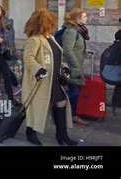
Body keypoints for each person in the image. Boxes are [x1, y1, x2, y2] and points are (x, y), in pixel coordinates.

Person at [22, 9, 77, 146]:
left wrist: (63, 66)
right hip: (41, 81)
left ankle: (62, 135)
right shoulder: (34, 40)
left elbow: (56, 57)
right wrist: (38, 69)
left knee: (61, 103)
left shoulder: (50, 38)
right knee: (36, 107)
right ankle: (31, 133)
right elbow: (28, 58)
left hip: (54, 80)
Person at [62, 8, 90, 126]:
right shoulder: (71, 31)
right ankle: (64, 113)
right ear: (77, 19)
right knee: (74, 92)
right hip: (72, 68)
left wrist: (84, 50)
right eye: (84, 16)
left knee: (76, 92)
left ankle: (71, 114)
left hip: (76, 67)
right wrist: (75, 67)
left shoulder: (79, 30)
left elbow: (75, 47)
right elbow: (67, 50)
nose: (86, 18)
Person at [0, 7, 21, 96]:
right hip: (2, 49)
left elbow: (3, 37)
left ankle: (13, 87)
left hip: (0, 50)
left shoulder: (1, 23)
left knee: (4, 71)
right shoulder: (2, 22)